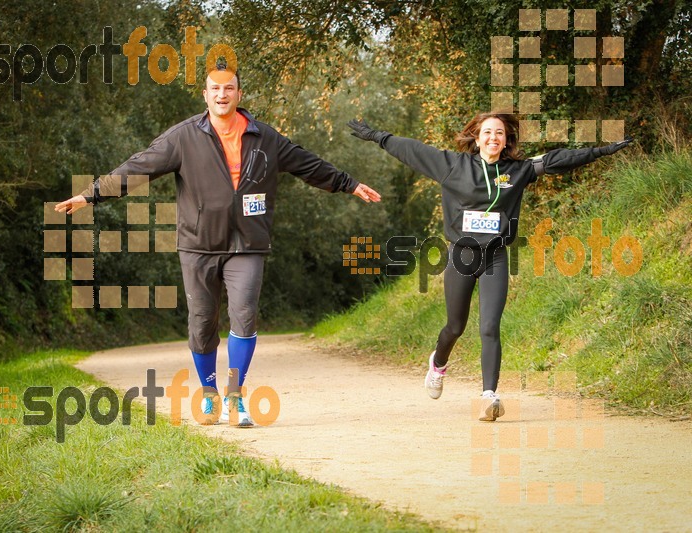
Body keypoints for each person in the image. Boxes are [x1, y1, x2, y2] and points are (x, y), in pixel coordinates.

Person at [56, 66, 381, 428]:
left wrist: (348, 183)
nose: (222, 94)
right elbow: (139, 166)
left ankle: (235, 394)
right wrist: (91, 195)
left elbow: (308, 164)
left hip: (248, 244)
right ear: (205, 95)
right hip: (198, 245)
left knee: (244, 315)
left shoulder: (265, 138)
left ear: (240, 95)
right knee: (202, 322)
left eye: (229, 88)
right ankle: (209, 394)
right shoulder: (184, 137)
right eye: (215, 89)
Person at [348, 113, 631, 421]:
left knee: (489, 326)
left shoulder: (518, 171)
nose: (494, 137)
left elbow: (557, 159)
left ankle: (488, 396)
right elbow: (412, 150)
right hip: (462, 256)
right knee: (455, 327)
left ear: (506, 140)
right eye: (487, 132)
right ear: (477, 137)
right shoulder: (455, 166)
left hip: (495, 256)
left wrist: (602, 150)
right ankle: (438, 364)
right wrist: (377, 135)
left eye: (500, 133)